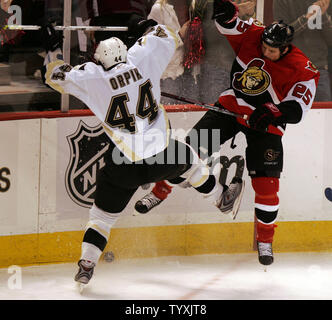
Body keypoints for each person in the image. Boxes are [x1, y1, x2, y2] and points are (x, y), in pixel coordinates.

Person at [44, 20, 245, 287]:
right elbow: (169, 34)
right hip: (160, 154)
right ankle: (221, 198)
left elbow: (52, 76)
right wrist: (149, 28)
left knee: (102, 218)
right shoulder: (140, 57)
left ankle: (87, 264)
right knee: (190, 162)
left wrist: (59, 57)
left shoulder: (92, 75)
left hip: (122, 163)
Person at [135, 0, 320, 266]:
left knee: (267, 186)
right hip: (230, 108)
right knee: (187, 153)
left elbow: (298, 108)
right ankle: (159, 192)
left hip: (264, 123)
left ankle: (265, 241)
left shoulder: (303, 68)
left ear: (286, 48)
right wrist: (225, 11)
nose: (266, 52)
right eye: (264, 47)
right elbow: (229, 24)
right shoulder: (256, 34)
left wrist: (273, 112)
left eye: (272, 50)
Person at [273, 0, 332, 101]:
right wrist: (307, 18)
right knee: (293, 114)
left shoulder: (325, 2)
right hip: (292, 69)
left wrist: (323, 16)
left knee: (324, 114)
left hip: (319, 69)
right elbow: (281, 36)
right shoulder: (281, 1)